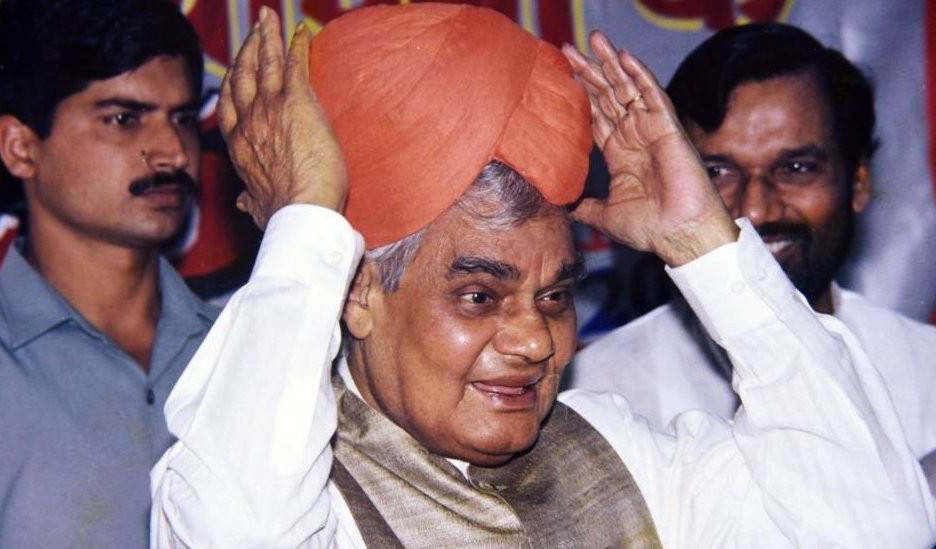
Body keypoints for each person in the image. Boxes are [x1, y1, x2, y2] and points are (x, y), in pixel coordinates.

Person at [150, 6, 935, 547]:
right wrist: (308, 230)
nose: (534, 340)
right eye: (479, 296)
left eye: (554, 295)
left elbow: (873, 528)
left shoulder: (623, 455)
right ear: (356, 290)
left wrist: (707, 245)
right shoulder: (308, 498)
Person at [566, 23, 936, 461]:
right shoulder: (598, 391)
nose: (756, 210)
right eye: (717, 173)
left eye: (796, 168)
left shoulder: (926, 371)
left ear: (858, 182)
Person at [0, 1, 218, 547]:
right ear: (20, 147)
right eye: (124, 119)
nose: (173, 152)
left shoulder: (242, 350)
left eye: (182, 118)